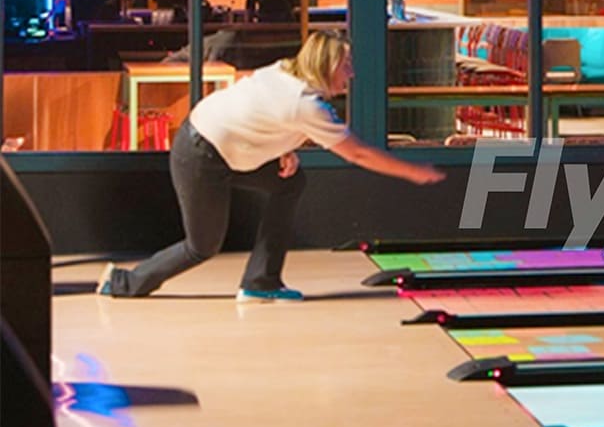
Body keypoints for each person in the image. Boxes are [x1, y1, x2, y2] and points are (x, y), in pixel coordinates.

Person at [97, 30, 444, 302]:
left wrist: (285, 147)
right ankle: (122, 282)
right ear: (326, 66)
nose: (351, 74)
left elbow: (258, 107)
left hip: (215, 146)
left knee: (289, 182)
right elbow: (359, 154)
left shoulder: (283, 70)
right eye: (346, 65)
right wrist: (413, 172)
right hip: (201, 154)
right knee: (202, 246)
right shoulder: (307, 105)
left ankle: (261, 282)